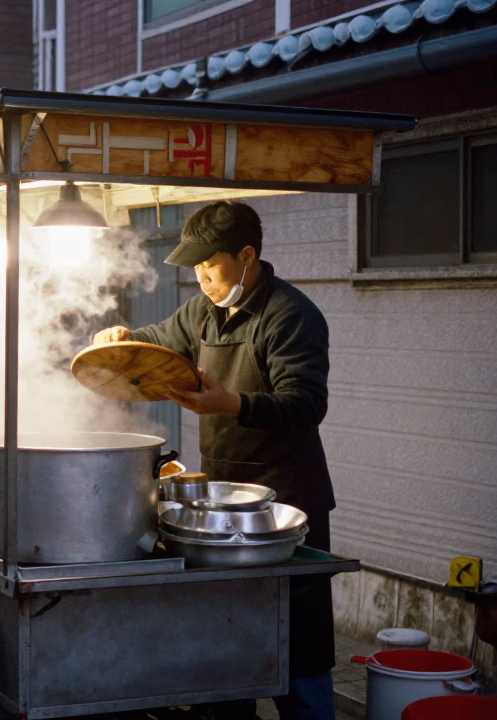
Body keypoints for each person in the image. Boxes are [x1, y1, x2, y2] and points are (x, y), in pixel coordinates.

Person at [94, 200, 337, 720]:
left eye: (210, 267)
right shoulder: (203, 312)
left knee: (298, 641)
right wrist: (121, 338)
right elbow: (159, 343)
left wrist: (232, 403)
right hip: (222, 502)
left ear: (247, 256)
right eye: (197, 270)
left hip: (285, 507)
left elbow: (306, 404)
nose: (202, 279)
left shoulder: (291, 315)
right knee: (227, 637)